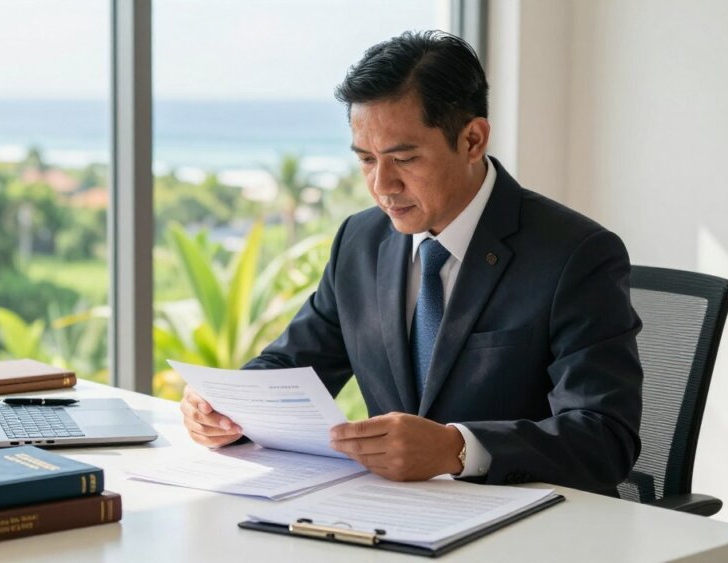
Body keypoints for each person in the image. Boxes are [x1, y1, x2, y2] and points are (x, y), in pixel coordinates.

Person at [179, 30, 642, 494]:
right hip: (390, 516)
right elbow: (294, 363)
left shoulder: (576, 255)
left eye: (404, 158)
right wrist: (226, 408)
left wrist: (456, 449)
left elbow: (605, 437)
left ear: (473, 140)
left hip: (526, 525)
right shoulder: (360, 240)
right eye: (365, 159)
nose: (382, 185)